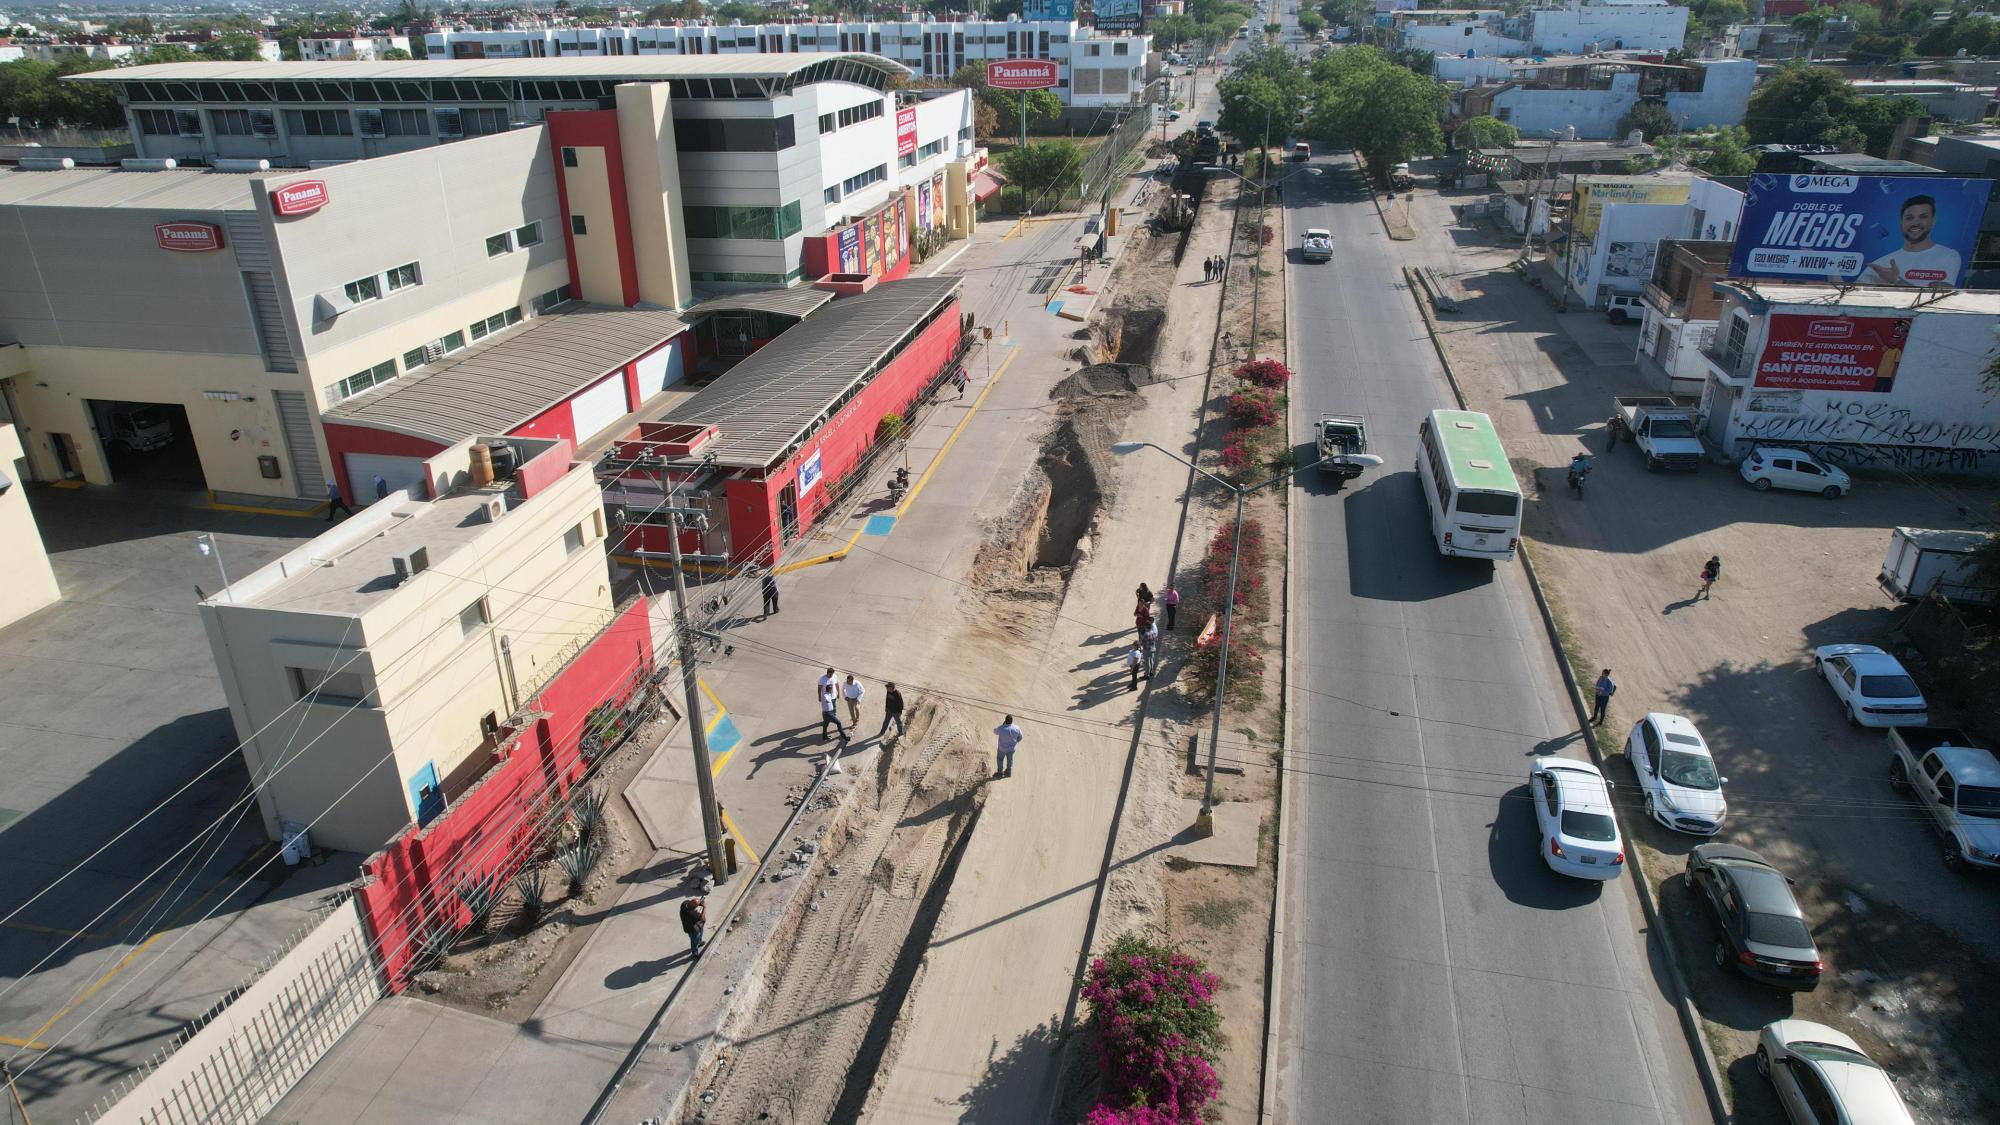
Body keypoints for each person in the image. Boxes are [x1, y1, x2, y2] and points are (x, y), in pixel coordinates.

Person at [1865, 195, 1962, 287]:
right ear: (1901, 222)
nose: (1915, 223)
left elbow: (1936, 300)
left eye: (1923, 217)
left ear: (1933, 221)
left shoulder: (1948, 256)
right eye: (1909, 218)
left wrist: (1896, 281)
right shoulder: (1880, 265)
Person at [680, 895, 706, 959]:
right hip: (693, 930)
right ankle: (695, 954)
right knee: (694, 941)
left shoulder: (685, 903)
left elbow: (692, 903)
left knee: (700, 934)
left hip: (696, 926)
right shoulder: (691, 914)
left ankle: (699, 942)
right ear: (693, 908)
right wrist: (704, 907)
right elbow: (702, 918)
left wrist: (698, 902)